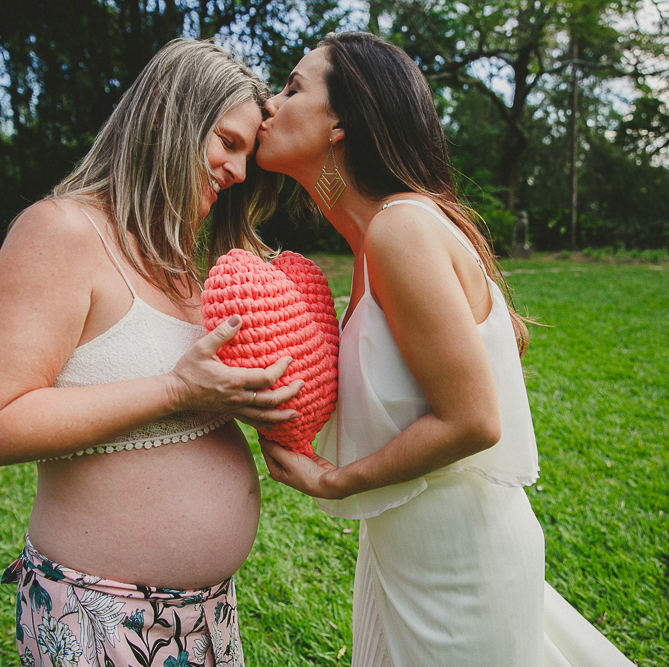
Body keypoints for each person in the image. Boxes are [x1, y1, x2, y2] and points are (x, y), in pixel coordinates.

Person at [255, 32, 636, 667]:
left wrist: (337, 481)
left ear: (342, 122)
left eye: (292, 88)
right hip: (405, 556)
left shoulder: (401, 228)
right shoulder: (378, 239)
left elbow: (472, 420)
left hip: (459, 570)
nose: (269, 103)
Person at [0, 39, 302, 667]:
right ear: (170, 118)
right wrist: (176, 391)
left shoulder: (180, 265)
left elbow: (181, 400)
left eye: (249, 154)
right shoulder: (62, 231)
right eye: (227, 142)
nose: (241, 172)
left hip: (207, 614)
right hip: (103, 616)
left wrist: (236, 400)